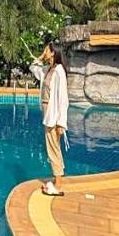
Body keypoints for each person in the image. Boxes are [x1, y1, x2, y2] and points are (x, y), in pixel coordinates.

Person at [29, 42, 69, 196]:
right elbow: (33, 68)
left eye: (46, 49)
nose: (44, 51)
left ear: (53, 52)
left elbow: (63, 99)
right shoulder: (48, 70)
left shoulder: (59, 71)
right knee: (54, 148)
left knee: (53, 149)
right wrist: (39, 58)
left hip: (53, 116)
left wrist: (61, 123)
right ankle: (57, 180)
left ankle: (58, 185)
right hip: (47, 114)